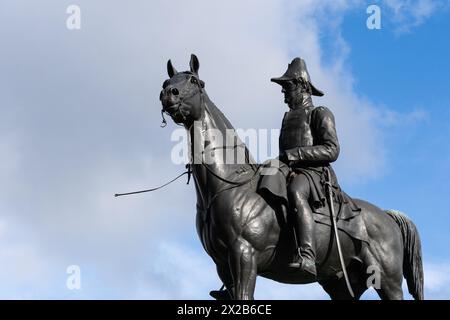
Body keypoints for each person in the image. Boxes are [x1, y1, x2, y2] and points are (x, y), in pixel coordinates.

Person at [271, 58, 340, 279]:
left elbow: (332, 150)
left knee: (295, 192)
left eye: (287, 87)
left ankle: (307, 254)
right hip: (288, 170)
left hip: (314, 174)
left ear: (301, 86)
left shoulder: (319, 113)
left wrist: (296, 154)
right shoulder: (287, 117)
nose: (283, 95)